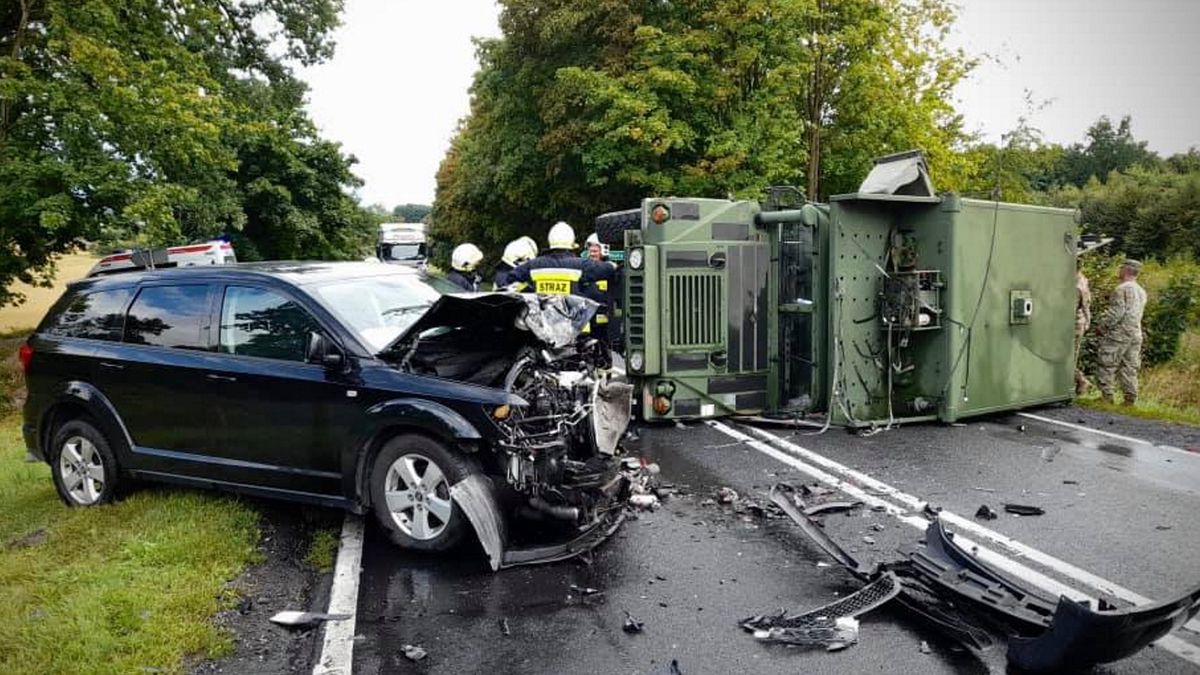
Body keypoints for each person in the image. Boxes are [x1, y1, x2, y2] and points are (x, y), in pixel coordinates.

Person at [508, 221, 615, 339]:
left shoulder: (534, 265)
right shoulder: (580, 265)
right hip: (574, 331)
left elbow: (510, 278)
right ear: (570, 242)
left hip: (543, 329)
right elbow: (608, 269)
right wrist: (612, 264)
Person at [1095, 259, 1147, 405]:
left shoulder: (1121, 289)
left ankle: (1107, 396)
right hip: (1135, 333)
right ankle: (1130, 399)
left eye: (1121, 268)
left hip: (1119, 333)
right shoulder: (1141, 291)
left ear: (1126, 270)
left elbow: (1116, 313)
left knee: (1107, 362)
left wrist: (1103, 327)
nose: (1119, 271)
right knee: (1130, 367)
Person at [1074, 269, 1092, 396]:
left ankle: (1081, 380)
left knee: (1065, 359)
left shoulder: (1075, 285)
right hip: (1079, 322)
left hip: (1072, 324)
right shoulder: (1082, 280)